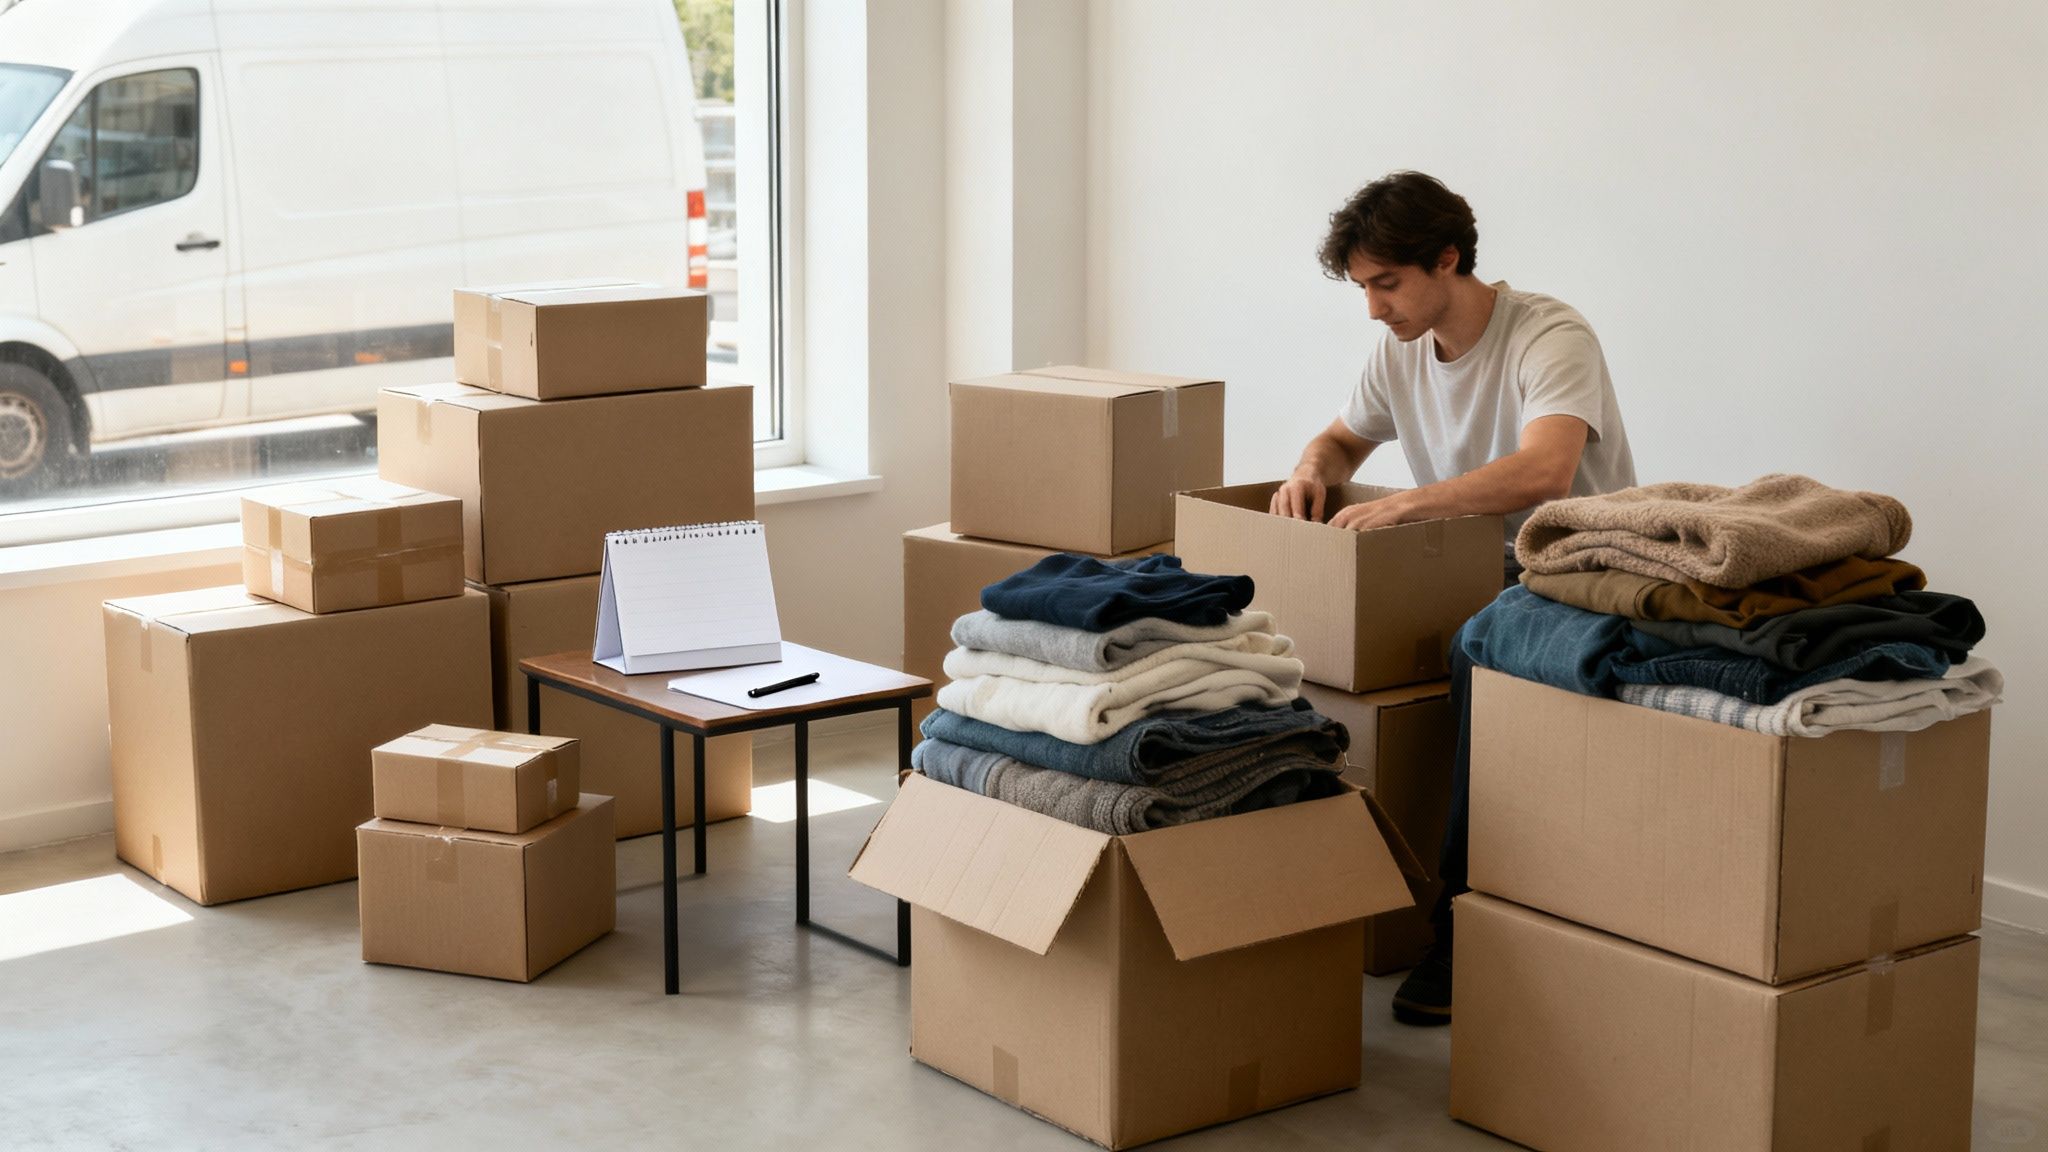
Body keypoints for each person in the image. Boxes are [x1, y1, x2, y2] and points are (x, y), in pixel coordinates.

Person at [1271, 171, 1638, 1025]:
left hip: (1574, 565)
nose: (1373, 309)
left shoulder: (1548, 333)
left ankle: (1456, 925)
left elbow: (1546, 471)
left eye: (1387, 284)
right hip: (1467, 562)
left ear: (1448, 260)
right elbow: (1339, 439)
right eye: (1363, 287)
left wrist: (1402, 504)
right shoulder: (1398, 349)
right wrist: (1310, 473)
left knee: (1476, 647)